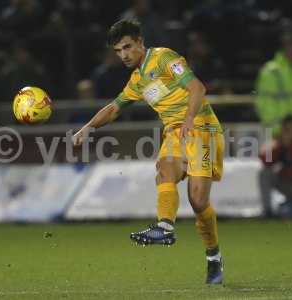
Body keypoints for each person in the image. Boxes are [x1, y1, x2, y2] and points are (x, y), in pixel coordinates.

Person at [72, 20, 224, 284]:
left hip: (201, 127)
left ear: (140, 42)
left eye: (128, 47)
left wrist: (188, 119)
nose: (124, 55)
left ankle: (213, 256)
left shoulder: (164, 57)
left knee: (198, 201)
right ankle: (165, 226)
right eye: (119, 51)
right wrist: (87, 127)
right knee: (165, 169)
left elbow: (197, 88)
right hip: (175, 133)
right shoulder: (137, 80)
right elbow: (114, 108)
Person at [255, 32, 292, 134]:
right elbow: (264, 104)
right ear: (281, 48)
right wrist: (278, 131)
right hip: (279, 135)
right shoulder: (270, 71)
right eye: (288, 45)